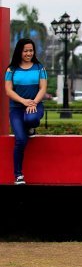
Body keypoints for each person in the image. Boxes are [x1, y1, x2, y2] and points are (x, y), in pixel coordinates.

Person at [4, 38, 48, 185]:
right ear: (19, 51)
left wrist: (34, 102)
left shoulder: (39, 68)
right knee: (21, 140)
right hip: (17, 108)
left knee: (31, 120)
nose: (29, 53)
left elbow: (43, 88)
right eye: (26, 51)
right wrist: (23, 101)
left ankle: (30, 128)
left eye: (31, 50)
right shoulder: (11, 69)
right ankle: (18, 175)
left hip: (35, 105)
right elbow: (8, 91)